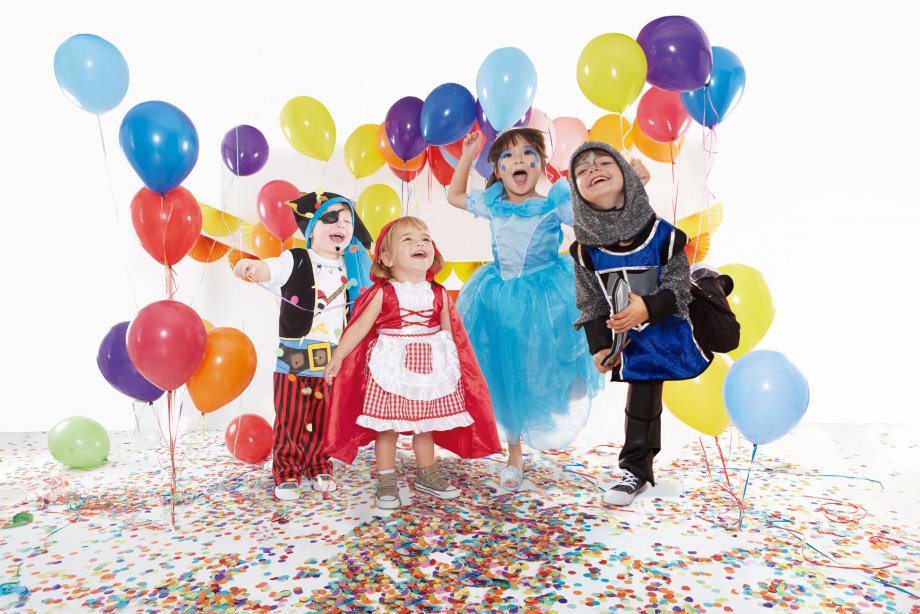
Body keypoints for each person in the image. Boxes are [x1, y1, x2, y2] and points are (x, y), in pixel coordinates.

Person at [445, 127, 610, 491]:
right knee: (506, 374)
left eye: (527, 154)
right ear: (499, 171)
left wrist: (617, 185)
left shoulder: (553, 204)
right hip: (497, 298)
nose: (518, 160)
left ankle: (558, 402)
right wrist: (468, 155)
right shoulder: (494, 204)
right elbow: (454, 195)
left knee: (542, 366)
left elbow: (595, 219)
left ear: (541, 164)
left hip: (545, 297)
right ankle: (514, 453)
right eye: (508, 156)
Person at [567, 141, 711, 506]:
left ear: (626, 175)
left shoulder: (664, 236)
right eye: (582, 170)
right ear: (576, 191)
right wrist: (601, 346)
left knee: (646, 395)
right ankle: (637, 469)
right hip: (627, 341)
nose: (592, 169)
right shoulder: (586, 251)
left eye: (603, 162)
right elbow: (591, 301)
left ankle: (637, 469)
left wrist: (647, 308)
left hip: (665, 332)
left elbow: (678, 286)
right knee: (642, 397)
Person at [323, 216, 501, 510]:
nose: (420, 243)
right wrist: (338, 356)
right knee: (387, 427)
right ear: (387, 258)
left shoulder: (438, 293)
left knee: (425, 426)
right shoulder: (384, 293)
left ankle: (426, 473)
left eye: (425, 239)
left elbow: (452, 335)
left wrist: (458, 370)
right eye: (408, 240)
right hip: (390, 369)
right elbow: (360, 327)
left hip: (431, 368)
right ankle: (386, 478)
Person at [233, 190, 373, 501]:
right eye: (331, 218)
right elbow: (271, 269)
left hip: (332, 358)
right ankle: (287, 470)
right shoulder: (295, 258)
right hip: (293, 357)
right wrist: (253, 268)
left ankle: (319, 464)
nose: (341, 224)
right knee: (292, 417)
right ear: (311, 229)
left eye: (347, 220)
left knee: (323, 417)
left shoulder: (352, 266)